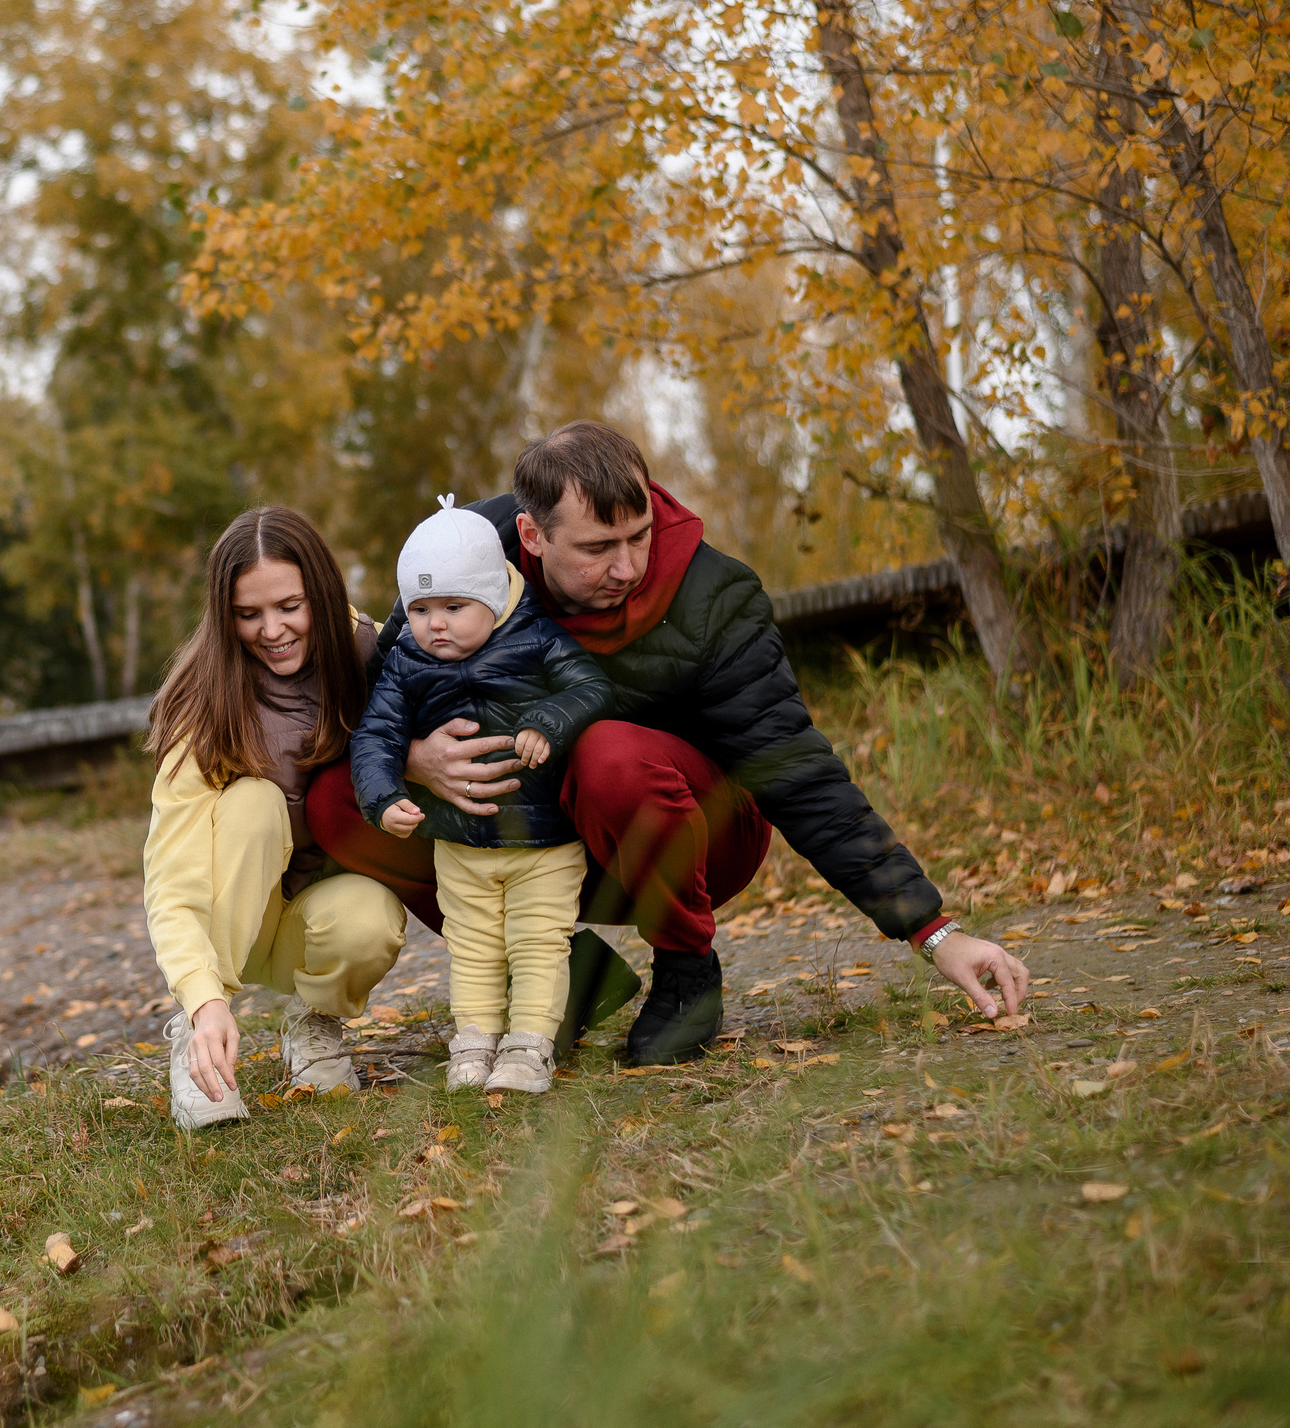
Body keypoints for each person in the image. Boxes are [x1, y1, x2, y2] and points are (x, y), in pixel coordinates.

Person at [306, 421, 1031, 1067]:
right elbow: (384, 691)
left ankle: (688, 976)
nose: (626, 566)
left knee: (607, 752)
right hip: (527, 833)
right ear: (531, 538)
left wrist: (932, 930)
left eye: (639, 536)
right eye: (597, 548)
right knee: (342, 800)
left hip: (695, 829)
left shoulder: (714, 598)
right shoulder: (461, 552)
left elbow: (797, 770)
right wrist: (410, 759)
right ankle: (557, 981)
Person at [142, 506, 410, 1129]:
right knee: (255, 802)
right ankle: (198, 1040)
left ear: (319, 590)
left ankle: (315, 1025)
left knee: (372, 920)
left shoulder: (366, 652)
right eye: (248, 614)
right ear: (223, 615)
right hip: (234, 916)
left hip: (315, 913)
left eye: (290, 605)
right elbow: (172, 881)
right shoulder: (201, 705)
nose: (272, 629)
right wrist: (202, 997)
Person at [350, 497, 615, 1094]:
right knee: (470, 946)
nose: (434, 624)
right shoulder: (405, 663)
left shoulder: (537, 637)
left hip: (542, 838)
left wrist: (548, 721)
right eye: (418, 609)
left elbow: (590, 687)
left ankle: (531, 1045)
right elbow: (376, 733)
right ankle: (473, 1041)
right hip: (459, 839)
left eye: (453, 606)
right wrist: (383, 794)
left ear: (494, 598)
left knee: (537, 941)